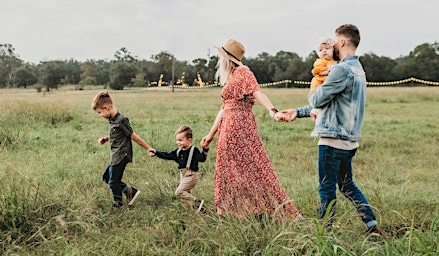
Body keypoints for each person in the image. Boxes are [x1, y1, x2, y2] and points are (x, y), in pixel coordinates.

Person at [277, 24, 386, 237]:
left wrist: (314, 86)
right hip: (349, 140)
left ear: (342, 42)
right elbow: (331, 104)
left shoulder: (340, 69)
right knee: (347, 186)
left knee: (327, 189)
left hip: (332, 140)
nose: (332, 45)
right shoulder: (358, 70)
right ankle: (372, 227)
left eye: (335, 42)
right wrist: (297, 112)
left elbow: (317, 99)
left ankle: (324, 235)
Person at [200, 39, 301, 219]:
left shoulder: (243, 72)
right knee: (228, 168)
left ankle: (258, 208)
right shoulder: (231, 77)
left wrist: (273, 111)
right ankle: (236, 210)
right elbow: (224, 108)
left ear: (228, 58)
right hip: (228, 125)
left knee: (251, 166)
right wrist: (210, 134)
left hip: (239, 125)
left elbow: (258, 92)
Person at [92, 92, 155, 209]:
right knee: (106, 177)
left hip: (122, 155)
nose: (100, 115)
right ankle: (130, 192)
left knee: (113, 181)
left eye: (100, 112)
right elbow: (118, 134)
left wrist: (148, 148)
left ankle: (118, 204)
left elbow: (133, 136)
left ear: (106, 107)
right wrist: (106, 139)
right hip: (115, 155)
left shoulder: (121, 120)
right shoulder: (112, 119)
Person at [150, 125, 208, 213]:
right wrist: (156, 152)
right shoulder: (178, 151)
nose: (178, 142)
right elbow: (167, 155)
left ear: (189, 139)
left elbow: (202, 159)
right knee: (185, 198)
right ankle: (193, 212)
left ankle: (197, 202)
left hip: (191, 175)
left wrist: (205, 149)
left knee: (179, 192)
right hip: (183, 175)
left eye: (180, 140)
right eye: (177, 140)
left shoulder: (193, 150)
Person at [310, 37, 337, 122]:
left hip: (326, 84)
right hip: (319, 83)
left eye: (327, 48)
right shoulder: (320, 61)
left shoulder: (334, 62)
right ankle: (315, 111)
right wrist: (328, 72)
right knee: (321, 96)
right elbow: (317, 71)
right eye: (321, 50)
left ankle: (318, 112)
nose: (324, 51)